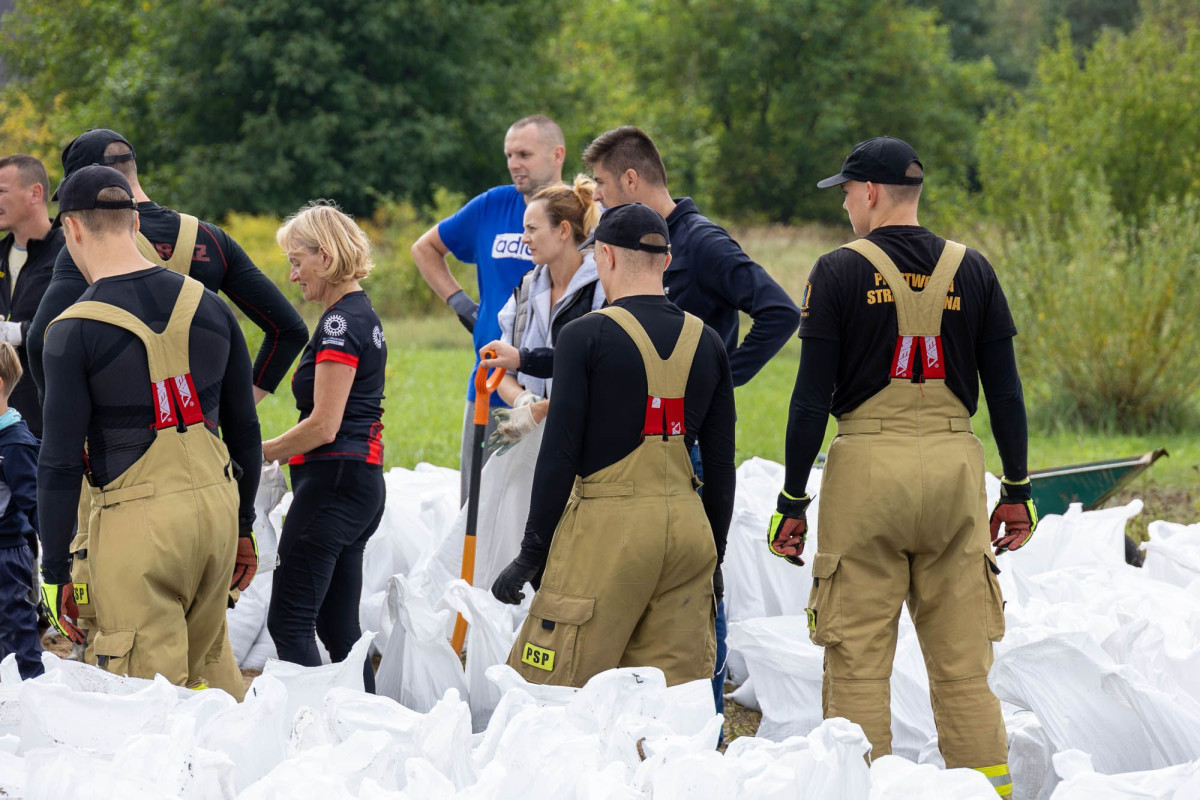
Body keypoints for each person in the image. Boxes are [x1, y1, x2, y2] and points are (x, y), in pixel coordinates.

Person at [769, 137, 1036, 796]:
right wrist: (1017, 489)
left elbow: (809, 398)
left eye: (846, 194)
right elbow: (1006, 393)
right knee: (964, 666)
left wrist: (793, 500)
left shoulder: (836, 271)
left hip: (866, 473)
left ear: (870, 192)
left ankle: (862, 787)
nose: (845, 207)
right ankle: (989, 791)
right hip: (954, 471)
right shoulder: (975, 270)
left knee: (857, 658)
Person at [582, 125, 801, 715]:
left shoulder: (702, 243)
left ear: (631, 179)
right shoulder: (627, 246)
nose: (596, 196)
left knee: (695, 582)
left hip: (690, 448)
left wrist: (719, 381)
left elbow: (779, 312)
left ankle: (703, 719)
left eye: (601, 184)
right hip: (630, 448)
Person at [491, 203, 735, 690]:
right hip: (688, 533)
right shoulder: (707, 341)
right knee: (666, 700)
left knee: (558, 688)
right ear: (667, 262)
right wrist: (715, 558)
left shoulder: (585, 335)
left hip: (610, 531)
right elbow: (721, 463)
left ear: (605, 256)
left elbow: (560, 453)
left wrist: (532, 552)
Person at [37, 165, 261, 699]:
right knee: (211, 681)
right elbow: (245, 428)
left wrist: (55, 571)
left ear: (71, 230)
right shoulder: (210, 305)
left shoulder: (71, 330)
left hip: (139, 531)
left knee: (148, 708)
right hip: (217, 516)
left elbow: (59, 462)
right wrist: (244, 527)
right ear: (135, 222)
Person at [26, 128, 308, 406]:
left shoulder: (89, 245)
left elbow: (41, 341)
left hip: (124, 424)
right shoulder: (210, 238)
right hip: (201, 424)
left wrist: (67, 416)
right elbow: (288, 330)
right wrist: (237, 406)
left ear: (86, 181)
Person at [262, 201, 386, 692]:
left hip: (333, 484)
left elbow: (323, 425)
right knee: (339, 630)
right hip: (359, 483)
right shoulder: (361, 315)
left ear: (327, 257)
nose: (293, 276)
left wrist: (259, 452)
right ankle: (366, 722)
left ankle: (312, 728)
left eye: (297, 262)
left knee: (289, 623)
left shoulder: (339, 324)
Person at [411, 115, 565, 502]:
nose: (514, 163)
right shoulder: (492, 205)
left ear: (557, 155)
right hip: (492, 382)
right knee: (476, 508)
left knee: (542, 507)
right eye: (509, 155)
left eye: (524, 154)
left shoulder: (579, 215)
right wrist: (460, 303)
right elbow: (425, 248)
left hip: (554, 387)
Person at [481, 174, 605, 453]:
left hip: (587, 446)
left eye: (532, 229)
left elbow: (601, 374)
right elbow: (504, 371)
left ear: (563, 230)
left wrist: (542, 411)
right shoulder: (526, 289)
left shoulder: (602, 289)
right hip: (533, 444)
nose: (524, 238)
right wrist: (524, 402)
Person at [0, 153, 63, 438]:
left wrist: (20, 332)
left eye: (1, 191)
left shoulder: (70, 253)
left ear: (35, 193)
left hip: (49, 425)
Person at [0, 343, 43, 679]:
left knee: (16, 635)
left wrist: (58, 560)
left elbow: (36, 505)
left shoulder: (14, 443)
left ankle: (29, 693)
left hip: (8, 555)